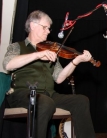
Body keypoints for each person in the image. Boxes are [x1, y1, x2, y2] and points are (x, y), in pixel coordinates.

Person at [3, 10, 95, 138]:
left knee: (81, 101)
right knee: (45, 102)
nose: (48, 31)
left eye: (49, 29)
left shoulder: (50, 51)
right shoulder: (17, 47)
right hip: (23, 93)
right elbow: (8, 64)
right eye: (45, 27)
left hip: (49, 95)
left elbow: (59, 78)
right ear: (33, 25)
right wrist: (38, 54)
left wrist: (76, 61)